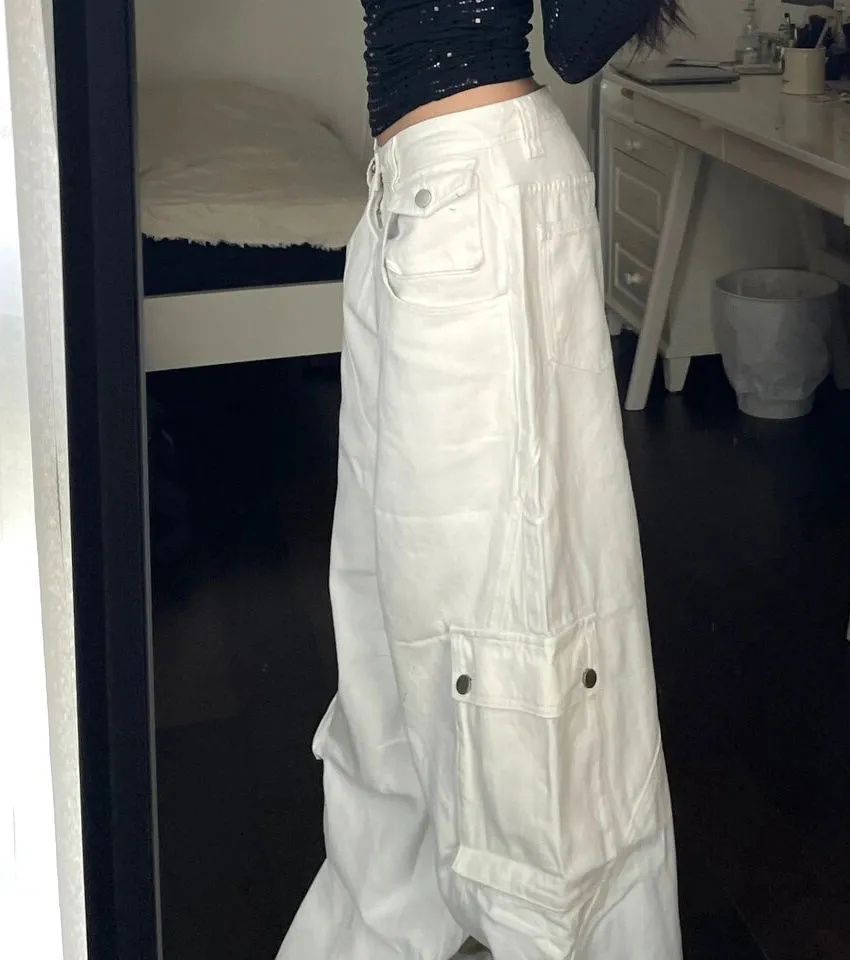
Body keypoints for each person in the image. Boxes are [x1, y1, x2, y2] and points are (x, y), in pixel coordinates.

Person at [277, 2, 685, 957]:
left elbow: (578, 39)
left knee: (512, 639)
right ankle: (376, 927)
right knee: (387, 626)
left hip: (479, 208)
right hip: (412, 202)